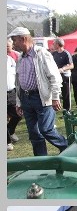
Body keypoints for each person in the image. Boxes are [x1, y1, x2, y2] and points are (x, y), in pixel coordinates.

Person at [8, 27, 68, 156]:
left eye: (15, 40)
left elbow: (55, 76)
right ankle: (41, 161)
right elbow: (19, 82)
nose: (14, 43)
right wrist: (19, 102)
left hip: (41, 97)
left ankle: (66, 147)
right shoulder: (20, 57)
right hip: (26, 98)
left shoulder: (41, 53)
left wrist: (55, 97)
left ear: (23, 39)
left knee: (46, 129)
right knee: (34, 134)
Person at [7, 39, 22, 151]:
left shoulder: (10, 59)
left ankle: (10, 131)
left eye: (8, 46)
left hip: (11, 92)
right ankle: (7, 142)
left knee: (18, 114)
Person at [51, 38, 73, 111]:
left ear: (58, 44)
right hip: (56, 76)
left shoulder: (66, 53)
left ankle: (67, 111)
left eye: (54, 43)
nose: (53, 45)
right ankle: (55, 108)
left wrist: (62, 69)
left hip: (65, 76)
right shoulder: (53, 54)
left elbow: (71, 65)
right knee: (56, 92)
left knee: (66, 94)